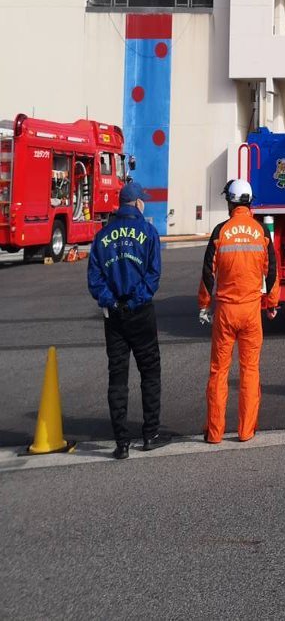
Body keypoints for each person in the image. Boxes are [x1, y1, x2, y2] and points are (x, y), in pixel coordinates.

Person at [87, 182, 170, 460]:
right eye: (142, 200)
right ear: (136, 203)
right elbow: (153, 276)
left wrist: (112, 301)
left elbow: (95, 279)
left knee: (117, 376)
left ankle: (121, 443)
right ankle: (150, 434)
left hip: (114, 316)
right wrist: (135, 301)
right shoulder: (148, 232)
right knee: (150, 373)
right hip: (141, 312)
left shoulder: (102, 236)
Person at [198, 179, 279, 443]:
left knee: (218, 372)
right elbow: (272, 272)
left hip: (225, 312)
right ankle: (246, 431)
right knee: (250, 371)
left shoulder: (220, 231)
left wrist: (204, 304)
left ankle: (214, 433)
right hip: (251, 311)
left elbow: (207, 273)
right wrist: (272, 304)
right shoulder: (261, 232)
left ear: (230, 203)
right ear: (249, 202)